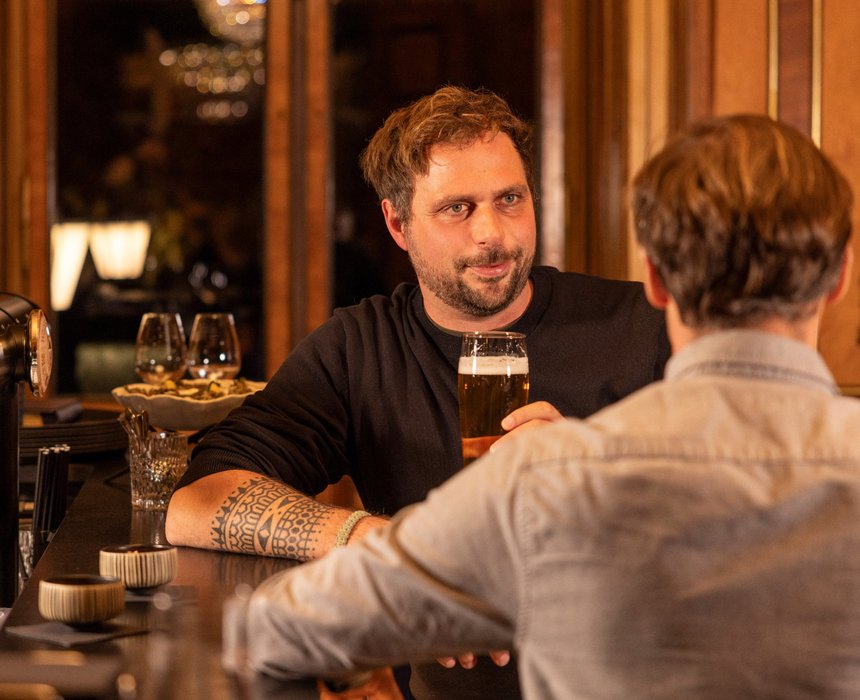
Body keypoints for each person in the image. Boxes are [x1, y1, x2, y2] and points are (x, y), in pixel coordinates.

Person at [235, 113, 860, 699]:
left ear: (656, 279)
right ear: (842, 276)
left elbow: (269, 634)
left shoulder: (542, 479)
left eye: (510, 197)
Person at [165, 86, 669, 698]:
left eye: (510, 199)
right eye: (457, 208)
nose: (492, 234)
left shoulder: (642, 323)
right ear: (397, 224)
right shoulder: (359, 348)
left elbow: (768, 507)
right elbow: (194, 502)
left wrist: (596, 477)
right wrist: (397, 551)